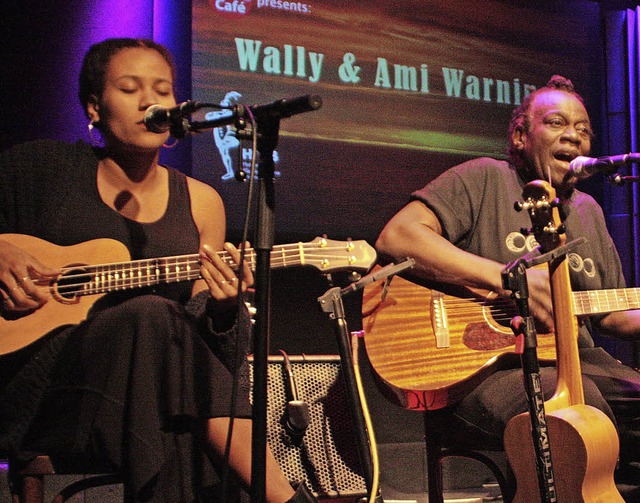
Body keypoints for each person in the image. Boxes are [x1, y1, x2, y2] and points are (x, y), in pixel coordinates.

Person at [0, 38, 317, 502]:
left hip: (147, 396)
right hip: (45, 394)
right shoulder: (37, 169)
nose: (151, 101)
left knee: (170, 395)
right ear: (93, 108)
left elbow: (210, 345)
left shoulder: (200, 201)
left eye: (162, 90)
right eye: (130, 88)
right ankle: (287, 498)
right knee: (153, 321)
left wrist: (225, 307)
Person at [375, 76, 640, 498]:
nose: (572, 135)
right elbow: (399, 236)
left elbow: (611, 312)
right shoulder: (483, 179)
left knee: (587, 398)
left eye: (584, 129)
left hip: (584, 364)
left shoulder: (588, 211)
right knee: (574, 407)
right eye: (556, 123)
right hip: (486, 372)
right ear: (520, 135)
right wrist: (506, 279)